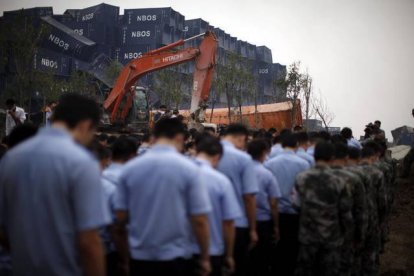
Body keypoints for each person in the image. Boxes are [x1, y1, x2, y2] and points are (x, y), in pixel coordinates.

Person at [0, 93, 110, 276]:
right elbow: (89, 242)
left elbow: (3, 231)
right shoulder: (82, 163)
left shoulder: (12, 158)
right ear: (85, 125)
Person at [114, 118, 212, 276]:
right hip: (177, 258)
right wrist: (205, 258)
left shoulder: (129, 169)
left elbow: (119, 222)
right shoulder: (190, 170)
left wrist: (124, 260)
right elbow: (200, 220)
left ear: (153, 137)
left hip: (139, 258)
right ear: (180, 138)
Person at [293, 142, 353, 276]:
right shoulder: (339, 180)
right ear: (332, 157)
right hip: (331, 238)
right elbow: (346, 212)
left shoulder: (301, 178)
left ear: (314, 156)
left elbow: (296, 205)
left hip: (307, 237)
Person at [193, 135, 242, 276]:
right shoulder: (221, 181)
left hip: (182, 252)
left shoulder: (180, 174)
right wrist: (229, 255)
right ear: (217, 157)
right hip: (213, 250)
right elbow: (228, 223)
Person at [264, 133, 310, 276]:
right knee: (291, 247)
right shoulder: (304, 163)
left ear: (282, 145)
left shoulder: (270, 162)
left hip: (274, 211)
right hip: (294, 212)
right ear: (296, 145)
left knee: (275, 246)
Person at [217, 123, 259, 276]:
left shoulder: (208, 151)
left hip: (210, 223)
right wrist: (253, 229)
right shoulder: (243, 159)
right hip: (237, 224)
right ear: (242, 138)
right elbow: (249, 197)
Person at [330, 143, 367, 276]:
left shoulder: (311, 176)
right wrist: (360, 235)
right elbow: (360, 210)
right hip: (345, 233)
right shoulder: (353, 178)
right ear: (346, 157)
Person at [247, 139, 281, 276]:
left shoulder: (241, 172)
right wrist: (276, 226)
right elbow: (273, 203)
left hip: (244, 221)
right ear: (263, 153)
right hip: (263, 222)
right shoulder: (267, 174)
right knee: (262, 261)